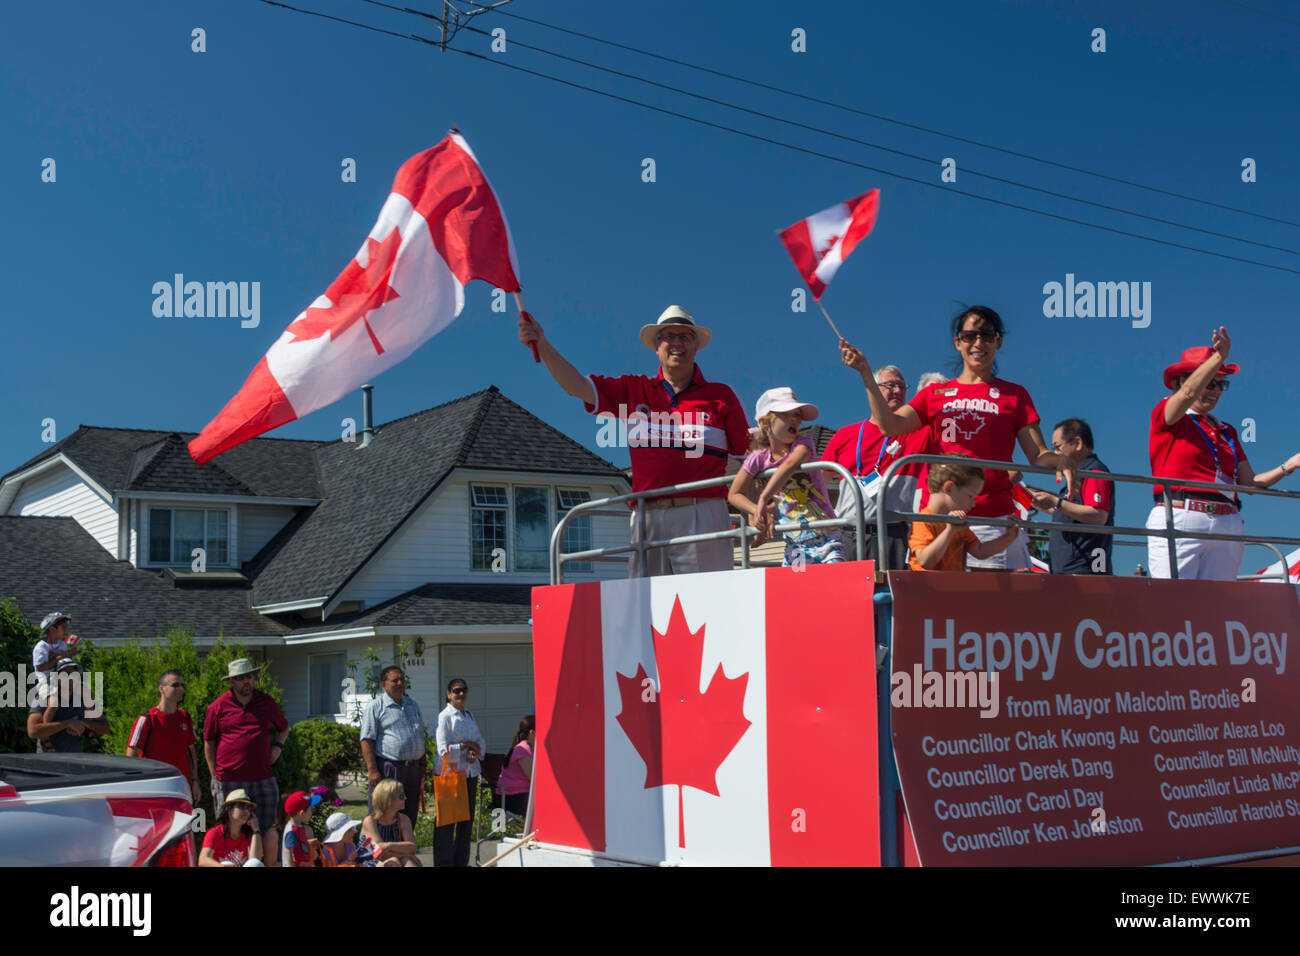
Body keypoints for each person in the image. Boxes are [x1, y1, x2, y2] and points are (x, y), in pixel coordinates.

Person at [519, 305, 751, 576]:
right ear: (656, 346)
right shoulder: (633, 389)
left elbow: (747, 460)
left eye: (684, 336)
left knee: (706, 604)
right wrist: (543, 344)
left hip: (703, 512)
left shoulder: (722, 395)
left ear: (696, 346)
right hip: (646, 514)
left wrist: (758, 510)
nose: (676, 343)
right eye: (667, 336)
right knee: (647, 607)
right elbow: (576, 386)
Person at [841, 305, 1077, 571]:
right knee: (941, 606)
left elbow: (1038, 454)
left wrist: (1060, 461)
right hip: (941, 522)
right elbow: (890, 425)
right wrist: (865, 374)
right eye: (970, 336)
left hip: (993, 518)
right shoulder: (935, 394)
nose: (978, 343)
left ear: (998, 341)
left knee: (998, 609)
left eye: (987, 336)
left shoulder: (1015, 395)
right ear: (958, 342)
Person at [1147, 329, 1300, 580]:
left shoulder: (1226, 430)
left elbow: (1250, 483)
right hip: (1182, 515)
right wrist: (1219, 358)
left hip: (1227, 521)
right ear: (1183, 381)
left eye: (1221, 384)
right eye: (1210, 382)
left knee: (1218, 608)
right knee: (1172, 603)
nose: (1216, 390)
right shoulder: (1168, 414)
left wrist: (1289, 465)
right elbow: (1186, 397)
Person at [823, 365, 931, 567]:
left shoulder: (920, 433)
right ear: (874, 389)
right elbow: (819, 485)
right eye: (891, 385)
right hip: (848, 533)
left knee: (892, 597)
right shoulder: (845, 435)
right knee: (847, 597)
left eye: (902, 386)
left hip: (894, 534)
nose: (898, 391)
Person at [729, 387, 843, 565]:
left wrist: (764, 499)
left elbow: (790, 464)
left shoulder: (804, 444)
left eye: (797, 415)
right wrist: (757, 510)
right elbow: (734, 493)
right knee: (797, 590)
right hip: (795, 542)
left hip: (827, 537)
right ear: (764, 422)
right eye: (785, 414)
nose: (794, 419)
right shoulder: (758, 458)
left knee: (835, 587)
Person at [203, 658, 289, 866]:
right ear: (232, 681)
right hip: (229, 778)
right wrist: (214, 775)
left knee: (268, 827)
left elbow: (283, 727)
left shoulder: (265, 702)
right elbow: (208, 741)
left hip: (263, 776)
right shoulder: (218, 706)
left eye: (249, 676)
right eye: (240, 678)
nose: (246, 682)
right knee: (229, 829)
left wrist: (277, 747)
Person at [1025, 418, 1115, 575]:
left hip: (1084, 568)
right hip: (1072, 566)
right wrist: (1037, 500)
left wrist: (1056, 502)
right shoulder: (1081, 475)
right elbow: (1070, 513)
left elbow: (1099, 516)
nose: (1055, 454)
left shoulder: (1094, 472)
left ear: (1078, 443)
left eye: (1057, 447)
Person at [908, 458, 1020, 571]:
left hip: (952, 586)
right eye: (971, 496)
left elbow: (979, 551)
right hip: (924, 586)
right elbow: (925, 562)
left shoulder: (958, 523)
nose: (973, 504)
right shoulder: (923, 520)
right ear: (949, 488)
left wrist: (1008, 537)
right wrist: (950, 531)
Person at [358, 666, 427, 831]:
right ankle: (381, 851)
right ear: (383, 684)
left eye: (402, 680)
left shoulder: (412, 704)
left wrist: (423, 766)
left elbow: (420, 736)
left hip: (413, 769)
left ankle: (406, 849)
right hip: (390, 768)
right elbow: (366, 739)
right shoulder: (376, 707)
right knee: (384, 812)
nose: (400, 683)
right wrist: (372, 769)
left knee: (409, 813)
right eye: (394, 680)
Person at [126, 669, 202, 803]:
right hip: (154, 789)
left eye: (182, 685)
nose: (180, 689)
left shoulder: (185, 717)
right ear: (161, 688)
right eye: (175, 685)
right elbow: (131, 756)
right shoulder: (147, 719)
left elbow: (191, 753)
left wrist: (195, 781)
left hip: (181, 787)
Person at [434, 678, 486, 867]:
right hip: (450, 774)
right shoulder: (444, 717)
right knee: (446, 823)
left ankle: (460, 862)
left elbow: (480, 741)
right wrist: (466, 746)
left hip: (469, 775)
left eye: (464, 690)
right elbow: (442, 750)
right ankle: (444, 863)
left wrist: (474, 751)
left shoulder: (469, 715)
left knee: (466, 823)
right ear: (448, 694)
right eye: (456, 691)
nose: (461, 694)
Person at [26, 658, 109, 753]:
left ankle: (89, 734)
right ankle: (47, 741)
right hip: (47, 761)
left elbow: (105, 728)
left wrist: (84, 724)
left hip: (74, 760)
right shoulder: (44, 697)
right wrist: (67, 724)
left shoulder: (82, 696)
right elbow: (33, 731)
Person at [359, 779, 421, 867]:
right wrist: (406, 853)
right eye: (401, 796)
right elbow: (379, 852)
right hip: (371, 861)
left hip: (394, 858)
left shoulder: (403, 819)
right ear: (388, 799)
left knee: (408, 862)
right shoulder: (370, 821)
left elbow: (413, 847)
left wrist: (388, 846)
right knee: (394, 862)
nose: (405, 798)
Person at [198, 788, 264, 867]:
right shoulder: (215, 833)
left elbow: (255, 860)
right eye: (242, 806)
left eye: (249, 808)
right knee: (226, 863)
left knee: (255, 862)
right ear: (228, 809)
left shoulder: (248, 834)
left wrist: (256, 830)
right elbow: (202, 860)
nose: (246, 811)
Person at [32, 612, 78, 701]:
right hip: (46, 682)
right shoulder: (41, 647)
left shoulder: (62, 645)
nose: (66, 631)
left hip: (61, 681)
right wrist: (59, 658)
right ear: (52, 629)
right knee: (53, 704)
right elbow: (40, 668)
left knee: (85, 693)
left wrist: (69, 655)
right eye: (63, 628)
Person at [496, 715, 535, 816]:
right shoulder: (523, 750)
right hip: (512, 799)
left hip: (516, 796)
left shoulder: (527, 748)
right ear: (532, 733)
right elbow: (534, 778)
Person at [282, 790, 323, 867]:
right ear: (302, 813)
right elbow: (288, 851)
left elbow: (297, 845)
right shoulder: (292, 830)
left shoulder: (298, 827)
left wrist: (307, 843)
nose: (311, 813)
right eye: (310, 810)